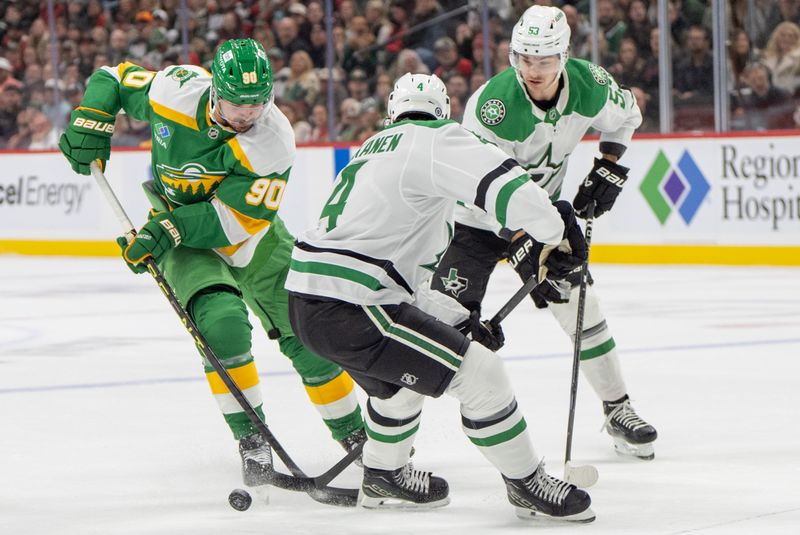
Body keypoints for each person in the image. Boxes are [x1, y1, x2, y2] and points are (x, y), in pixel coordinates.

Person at [57, 39, 365, 491]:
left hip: (254, 237)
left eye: (257, 104)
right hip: (187, 240)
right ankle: (251, 440)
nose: (246, 115)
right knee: (221, 325)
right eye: (237, 104)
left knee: (307, 331)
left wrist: (165, 232)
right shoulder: (175, 90)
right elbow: (115, 79)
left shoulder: (273, 140)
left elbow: (237, 218)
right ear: (214, 90)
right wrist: (92, 119)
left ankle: (355, 435)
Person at [285, 72, 595, 522]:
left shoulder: (373, 153)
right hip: (350, 306)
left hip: (315, 301)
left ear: (392, 111)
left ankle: (383, 476)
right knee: (483, 377)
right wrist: (553, 231)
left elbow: (400, 281)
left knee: (400, 387)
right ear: (443, 112)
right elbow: (506, 184)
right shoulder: (432, 138)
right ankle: (527, 484)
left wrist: (455, 323)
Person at [431, 5, 659, 460]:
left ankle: (618, 408)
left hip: (542, 217)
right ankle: (389, 452)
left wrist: (607, 167)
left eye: (545, 60)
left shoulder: (590, 85)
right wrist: (520, 239)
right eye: (523, 59)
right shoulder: (492, 107)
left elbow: (626, 117)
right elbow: (478, 185)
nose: (533, 71)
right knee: (436, 328)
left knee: (579, 304)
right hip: (475, 220)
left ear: (564, 56)